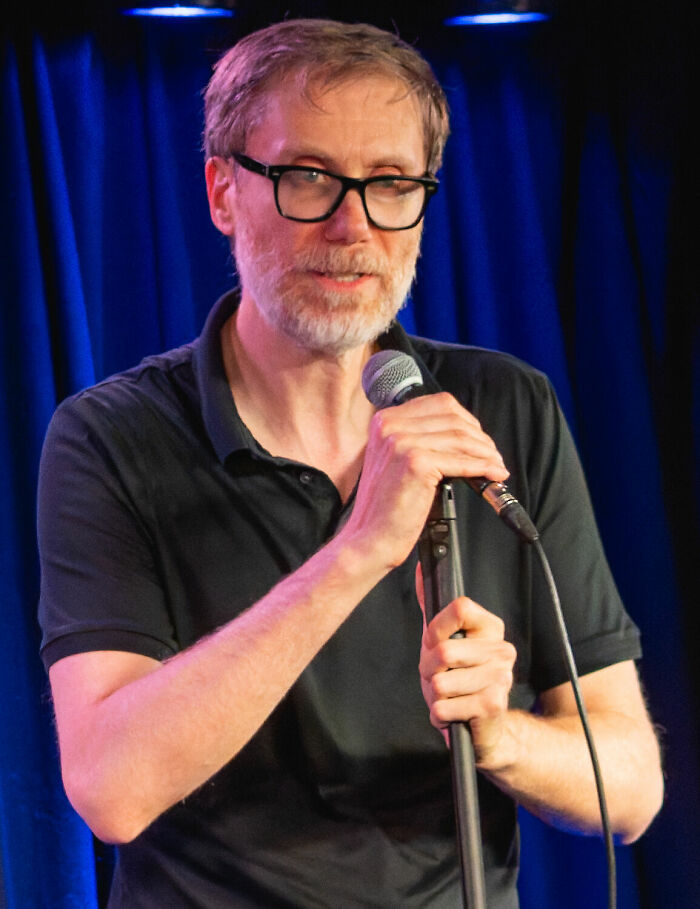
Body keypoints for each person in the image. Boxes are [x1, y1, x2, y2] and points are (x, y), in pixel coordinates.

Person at [37, 18, 663, 909]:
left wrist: (499, 734)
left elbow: (632, 786)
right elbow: (111, 789)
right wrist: (360, 546)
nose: (352, 224)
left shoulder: (505, 408)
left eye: (391, 184)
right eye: (309, 178)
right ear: (222, 191)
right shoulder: (111, 436)